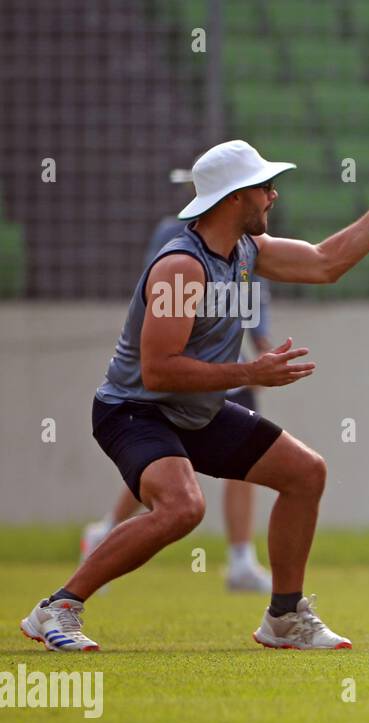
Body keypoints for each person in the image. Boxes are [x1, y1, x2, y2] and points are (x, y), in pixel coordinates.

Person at [21, 136, 369, 651]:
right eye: (265, 187)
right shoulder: (181, 267)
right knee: (181, 508)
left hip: (197, 410)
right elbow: (158, 371)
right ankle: (57, 608)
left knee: (306, 474)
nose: (273, 196)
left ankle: (284, 616)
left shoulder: (244, 250)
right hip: (135, 411)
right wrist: (252, 371)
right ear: (235, 197)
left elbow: (327, 262)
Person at [80, 175, 276, 592]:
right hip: (181, 373)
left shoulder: (246, 242)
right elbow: (161, 293)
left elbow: (257, 288)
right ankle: (105, 539)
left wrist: (258, 339)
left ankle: (242, 556)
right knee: (169, 471)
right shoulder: (178, 241)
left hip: (226, 364)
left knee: (254, 460)